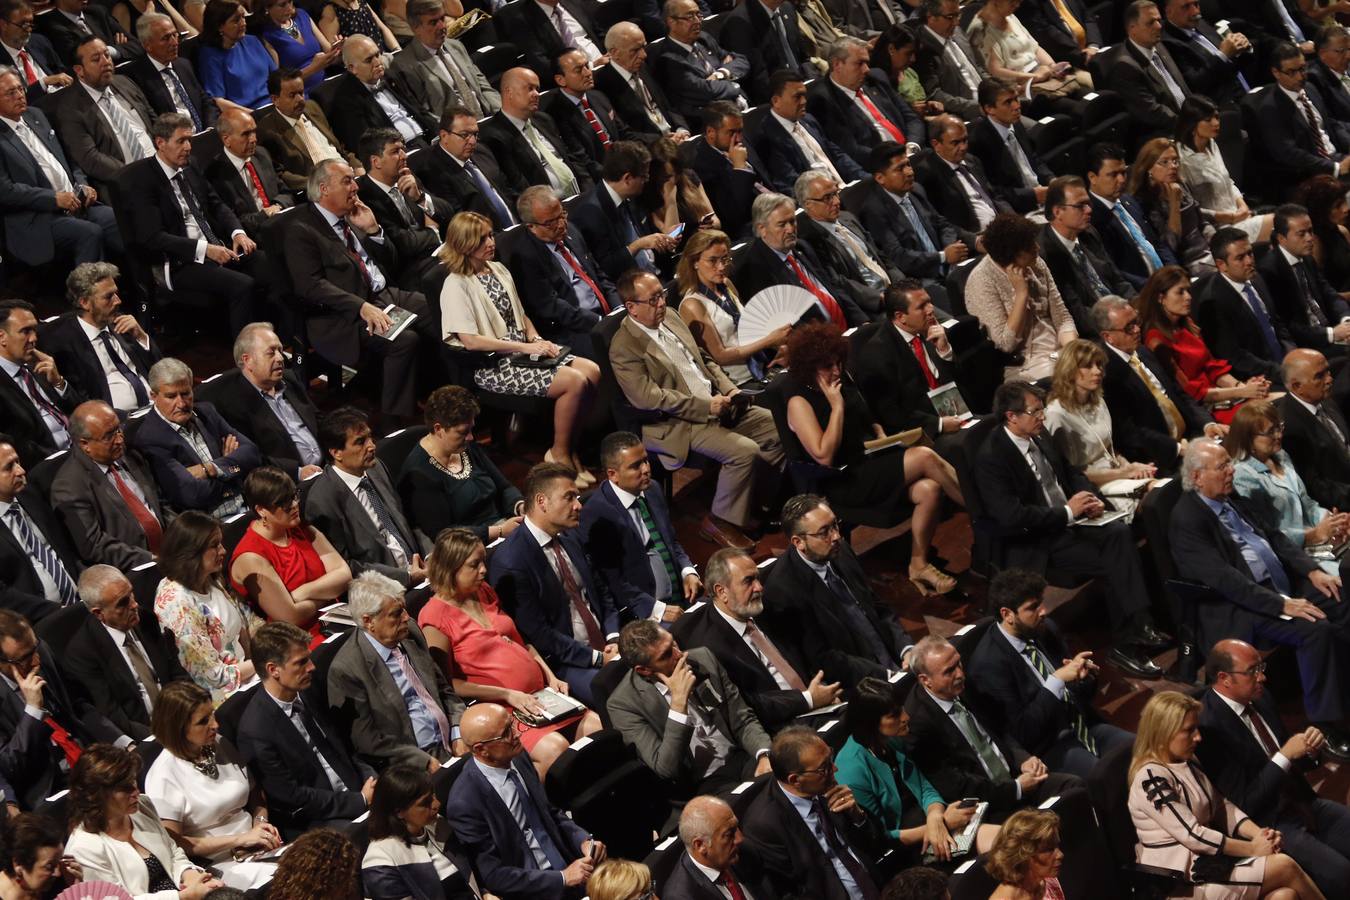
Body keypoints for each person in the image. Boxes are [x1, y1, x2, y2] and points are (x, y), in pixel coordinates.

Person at [975, 381, 1170, 676]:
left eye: (1041, 409)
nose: (1042, 416)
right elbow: (1011, 517)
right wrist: (1066, 512)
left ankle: (1140, 624)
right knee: (1114, 559)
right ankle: (1127, 641)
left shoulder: (1039, 436)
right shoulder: (991, 457)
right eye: (1034, 411)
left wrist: (1095, 500)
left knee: (1119, 531)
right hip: (1036, 540)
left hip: (1069, 521)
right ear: (1011, 416)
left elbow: (1071, 473)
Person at [1170, 438, 1350, 742]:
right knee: (1315, 630)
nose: (1232, 471)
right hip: (1241, 605)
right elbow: (1225, 579)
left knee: (1340, 597)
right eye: (1222, 466)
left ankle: (1342, 685)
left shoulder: (1232, 497)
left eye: (1230, 462)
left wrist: (1312, 570)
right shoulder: (1186, 519)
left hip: (1280, 586)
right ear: (1197, 477)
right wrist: (1281, 605)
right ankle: (1325, 724)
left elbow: (1275, 538)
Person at [611, 269, 785, 549]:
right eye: (653, 299)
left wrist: (730, 389)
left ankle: (750, 504)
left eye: (662, 295)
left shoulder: (671, 317)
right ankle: (719, 521)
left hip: (718, 402)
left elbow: (703, 359)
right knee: (745, 451)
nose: (661, 304)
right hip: (678, 423)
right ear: (631, 307)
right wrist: (707, 407)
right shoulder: (624, 347)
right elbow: (649, 399)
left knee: (778, 428)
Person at [784, 322, 964, 590]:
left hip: (867, 461)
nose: (836, 371)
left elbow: (869, 419)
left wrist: (883, 439)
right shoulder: (799, 402)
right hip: (843, 481)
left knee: (929, 489)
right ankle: (982, 513)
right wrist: (836, 408)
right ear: (809, 368)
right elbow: (823, 455)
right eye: (827, 367)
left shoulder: (841, 382)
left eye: (838, 363)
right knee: (925, 456)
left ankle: (918, 565)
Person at [419, 528, 598, 775]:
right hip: (503, 708)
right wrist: (507, 694)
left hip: (539, 695)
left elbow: (521, 642)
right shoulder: (434, 616)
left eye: (483, 561)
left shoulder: (482, 591)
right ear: (451, 568)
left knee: (596, 727)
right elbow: (448, 684)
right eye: (474, 565)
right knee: (555, 749)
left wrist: (550, 677)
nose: (483, 569)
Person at [437, 211, 600, 484]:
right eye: (482, 239)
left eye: (490, 235)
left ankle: (571, 448)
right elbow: (471, 341)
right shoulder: (456, 285)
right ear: (465, 244)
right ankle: (559, 454)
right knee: (574, 381)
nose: (491, 242)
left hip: (523, 349)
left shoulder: (498, 269)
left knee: (592, 371)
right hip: (493, 364)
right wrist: (523, 348)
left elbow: (520, 313)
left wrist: (536, 339)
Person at [1128, 690, 1325, 900]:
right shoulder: (1150, 778)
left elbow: (1221, 806)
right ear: (1163, 732)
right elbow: (1193, 835)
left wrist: (1259, 834)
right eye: (1189, 730)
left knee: (1284, 896)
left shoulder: (1188, 761)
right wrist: (1252, 849)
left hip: (1208, 867)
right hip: (1182, 884)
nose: (1198, 736)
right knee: (1285, 866)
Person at [282, 158, 438, 422]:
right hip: (343, 316)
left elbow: (391, 262)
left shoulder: (353, 215)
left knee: (439, 311)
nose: (355, 187)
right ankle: (395, 420)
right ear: (324, 189)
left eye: (353, 180)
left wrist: (374, 230)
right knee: (404, 340)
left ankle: (440, 393)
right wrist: (360, 306)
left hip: (384, 295)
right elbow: (310, 285)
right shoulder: (301, 230)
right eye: (347, 181)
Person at [1198, 639, 1350, 892]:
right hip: (1272, 824)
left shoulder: (1261, 697)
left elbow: (1295, 761)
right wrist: (1284, 755)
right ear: (1224, 678)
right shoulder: (1209, 728)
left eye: (1261, 668)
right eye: (1252, 671)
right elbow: (1246, 802)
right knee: (1342, 874)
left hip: (1304, 803)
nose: (1262, 678)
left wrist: (1310, 749)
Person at [114, 112, 267, 340]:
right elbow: (153, 238)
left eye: (189, 140)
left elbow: (216, 205)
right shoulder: (143, 181)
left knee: (266, 264)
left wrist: (238, 232)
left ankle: (276, 339)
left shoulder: (190, 165)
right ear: (160, 143)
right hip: (178, 262)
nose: (187, 147)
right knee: (242, 285)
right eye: (180, 141)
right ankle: (245, 354)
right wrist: (206, 250)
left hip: (218, 247)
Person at [970, 568, 1136, 777]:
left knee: (1143, 751)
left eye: (1040, 602)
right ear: (1007, 614)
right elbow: (1023, 733)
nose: (1043, 611)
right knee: (1106, 776)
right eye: (1032, 607)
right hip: (1049, 746)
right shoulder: (989, 664)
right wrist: (1056, 681)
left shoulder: (1044, 629)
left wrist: (1083, 678)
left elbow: (1081, 696)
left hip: (1084, 726)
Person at [487, 462, 620, 706]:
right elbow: (538, 635)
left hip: (608, 646)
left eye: (577, 497)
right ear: (541, 502)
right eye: (569, 498)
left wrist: (613, 637)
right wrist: (598, 658)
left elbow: (602, 592)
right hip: (565, 662)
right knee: (621, 695)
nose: (578, 505)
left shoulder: (570, 535)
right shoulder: (511, 561)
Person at [443, 702, 602, 900]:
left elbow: (550, 812)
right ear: (481, 749)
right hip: (531, 890)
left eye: (512, 725)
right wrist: (561, 878)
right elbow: (494, 875)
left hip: (574, 871)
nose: (517, 735)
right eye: (506, 733)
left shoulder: (517, 756)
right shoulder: (465, 803)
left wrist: (583, 840)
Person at [673, 545, 841, 731]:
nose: (759, 587)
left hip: (821, 705)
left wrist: (825, 690)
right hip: (783, 728)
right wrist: (809, 699)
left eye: (758, 579)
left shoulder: (768, 609)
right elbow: (748, 706)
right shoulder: (710, 648)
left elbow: (810, 656)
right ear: (722, 592)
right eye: (748, 581)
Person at [234, 622, 376, 841]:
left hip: (358, 791)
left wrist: (371, 779)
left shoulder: (307, 691)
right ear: (274, 670)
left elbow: (345, 747)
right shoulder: (255, 730)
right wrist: (359, 801)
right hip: (317, 820)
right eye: (301, 662)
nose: (312, 667)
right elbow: (292, 796)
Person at [760, 494, 918, 687]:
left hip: (895, 661)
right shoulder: (784, 591)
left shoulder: (841, 550)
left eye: (835, 525)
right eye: (824, 532)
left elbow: (876, 605)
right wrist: (886, 675)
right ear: (798, 542)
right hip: (860, 683)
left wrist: (906, 648)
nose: (836, 536)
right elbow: (823, 658)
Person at [836, 676, 999, 863]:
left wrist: (936, 816)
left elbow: (924, 788)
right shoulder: (852, 770)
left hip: (931, 823)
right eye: (894, 715)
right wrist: (941, 825)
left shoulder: (891, 740)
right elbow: (881, 837)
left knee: (1007, 838)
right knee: (1003, 844)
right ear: (871, 723)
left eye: (902, 709)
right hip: (908, 849)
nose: (906, 717)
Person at [608, 618, 772, 797]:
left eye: (674, 643)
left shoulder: (702, 658)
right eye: (666, 655)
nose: (680, 655)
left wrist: (764, 755)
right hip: (702, 784)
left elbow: (742, 719)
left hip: (741, 755)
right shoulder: (624, 705)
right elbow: (666, 768)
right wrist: (678, 703)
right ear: (644, 670)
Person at [145, 682, 280, 890]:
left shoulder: (218, 743)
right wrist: (239, 840)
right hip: (218, 864)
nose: (215, 725)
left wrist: (260, 825)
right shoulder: (163, 775)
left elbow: (255, 793)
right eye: (203, 721)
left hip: (256, 847)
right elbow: (177, 844)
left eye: (213, 714)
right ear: (178, 729)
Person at [328, 570, 467, 770]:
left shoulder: (409, 633)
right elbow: (368, 741)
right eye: (396, 613)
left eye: (403, 608)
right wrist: (423, 761)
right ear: (368, 621)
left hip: (454, 743)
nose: (406, 617)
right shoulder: (347, 670)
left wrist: (458, 732)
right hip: (413, 764)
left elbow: (444, 690)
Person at [740, 725, 886, 900]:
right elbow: (789, 893)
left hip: (876, 884)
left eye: (830, 759)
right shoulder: (765, 825)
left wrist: (858, 816)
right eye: (824, 767)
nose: (834, 769)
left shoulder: (825, 785)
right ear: (795, 780)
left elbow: (875, 843)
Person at [0, 609, 126, 809]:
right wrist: (32, 711)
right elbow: (8, 766)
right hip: (50, 790)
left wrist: (122, 742)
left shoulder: (43, 653)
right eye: (24, 658)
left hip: (87, 761)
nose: (36, 662)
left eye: (35, 648)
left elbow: (77, 704)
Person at [0, 68, 122, 272]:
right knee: (89, 233)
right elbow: (5, 191)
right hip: (39, 218)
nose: (20, 95)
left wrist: (82, 182)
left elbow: (68, 157)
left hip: (78, 203)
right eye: (11, 93)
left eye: (21, 89)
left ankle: (146, 289)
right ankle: (88, 300)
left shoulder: (35, 114)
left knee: (118, 219)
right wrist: (53, 198)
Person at [65, 744, 224, 900]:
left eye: (133, 781)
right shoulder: (84, 847)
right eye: (125, 787)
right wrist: (182, 896)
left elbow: (173, 852)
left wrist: (189, 875)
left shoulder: (142, 806)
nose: (136, 792)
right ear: (98, 794)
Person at [579, 431, 699, 623]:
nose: (646, 469)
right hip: (646, 615)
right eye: (636, 466)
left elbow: (671, 541)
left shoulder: (653, 489)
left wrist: (687, 571)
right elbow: (611, 580)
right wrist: (658, 610)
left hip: (683, 600)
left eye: (646, 460)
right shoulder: (597, 514)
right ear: (613, 474)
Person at [1095, 295, 1224, 474]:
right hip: (1162, 457)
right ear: (1108, 336)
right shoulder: (1106, 374)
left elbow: (1179, 394)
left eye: (1136, 321)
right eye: (1128, 327)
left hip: (1192, 437)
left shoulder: (1143, 351)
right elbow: (1130, 433)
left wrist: (1207, 424)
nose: (1137, 329)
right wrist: (1177, 448)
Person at [304, 406, 428, 588]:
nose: (372, 446)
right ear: (336, 452)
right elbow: (347, 566)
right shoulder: (322, 501)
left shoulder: (376, 468)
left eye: (370, 437)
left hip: (423, 570)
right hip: (383, 589)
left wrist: (430, 555)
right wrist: (407, 576)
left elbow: (407, 518)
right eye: (360, 442)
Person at [1229, 397, 1350, 581]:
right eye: (1270, 432)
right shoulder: (1243, 476)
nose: (1278, 435)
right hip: (1294, 556)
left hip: (1321, 544)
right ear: (1248, 438)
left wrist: (1332, 521)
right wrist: (1312, 535)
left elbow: (1307, 503)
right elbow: (1266, 533)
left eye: (1279, 427)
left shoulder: (1281, 455)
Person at [229, 466, 352, 645]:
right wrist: (327, 593)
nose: (294, 505)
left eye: (294, 496)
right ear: (262, 510)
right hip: (299, 641)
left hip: (339, 617)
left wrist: (303, 593)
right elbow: (290, 617)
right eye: (284, 503)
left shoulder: (299, 527)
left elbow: (344, 574)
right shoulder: (251, 556)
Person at [64, 565, 188, 742]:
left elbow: (176, 672)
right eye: (122, 603)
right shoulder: (83, 653)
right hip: (146, 736)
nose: (134, 605)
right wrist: (159, 739)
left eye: (131, 594)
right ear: (99, 613)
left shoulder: (145, 619)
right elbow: (114, 716)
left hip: (180, 716)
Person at [1137, 264, 1271, 424]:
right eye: (1180, 292)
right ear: (1161, 298)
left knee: (1276, 401)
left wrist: (1244, 386)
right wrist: (1241, 391)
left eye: (1188, 290)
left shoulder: (1185, 324)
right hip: (1208, 408)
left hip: (1226, 395)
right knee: (1267, 414)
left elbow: (1213, 367)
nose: (1188, 297)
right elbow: (1190, 391)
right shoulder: (1156, 339)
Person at [154, 510, 261, 706]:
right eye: (214, 546)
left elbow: (249, 621)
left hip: (249, 674)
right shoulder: (176, 602)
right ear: (190, 553)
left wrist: (274, 646)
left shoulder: (209, 577)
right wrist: (262, 663)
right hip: (222, 698)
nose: (223, 551)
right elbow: (211, 676)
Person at [1044, 339, 1158, 517]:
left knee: (1164, 489)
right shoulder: (1056, 415)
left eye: (1099, 365)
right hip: (1094, 486)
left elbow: (1109, 449)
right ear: (1070, 370)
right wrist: (1124, 473)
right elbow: (1072, 475)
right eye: (1088, 366)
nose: (1097, 371)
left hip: (1117, 474)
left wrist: (1132, 467)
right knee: (1157, 498)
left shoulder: (1097, 402)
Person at [133, 358, 259, 518]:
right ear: (153, 396)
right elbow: (191, 494)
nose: (181, 403)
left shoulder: (206, 412)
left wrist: (211, 469)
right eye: (171, 396)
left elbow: (252, 454)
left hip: (248, 506)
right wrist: (232, 470)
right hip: (211, 525)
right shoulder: (150, 438)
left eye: (186, 393)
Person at [398, 385, 523, 545]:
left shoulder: (464, 446)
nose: (471, 437)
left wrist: (519, 506)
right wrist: (497, 531)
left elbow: (504, 487)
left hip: (504, 526)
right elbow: (444, 535)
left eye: (472, 429)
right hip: (469, 547)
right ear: (439, 429)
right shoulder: (419, 473)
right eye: (463, 432)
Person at [50, 400, 166, 570]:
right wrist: (152, 559)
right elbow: (94, 547)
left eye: (119, 429)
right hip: (135, 570)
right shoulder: (69, 487)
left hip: (170, 549)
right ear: (85, 444)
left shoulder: (127, 454)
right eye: (109, 436)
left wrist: (181, 537)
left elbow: (160, 502)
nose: (120, 439)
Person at [499, 185, 613, 355]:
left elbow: (598, 274)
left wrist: (618, 306)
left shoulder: (570, 230)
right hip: (572, 329)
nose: (561, 225)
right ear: (531, 226)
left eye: (562, 215)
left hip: (604, 313)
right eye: (551, 223)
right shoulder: (525, 257)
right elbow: (550, 307)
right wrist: (598, 320)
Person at [966, 212, 1079, 383]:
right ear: (1012, 254)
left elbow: (1062, 317)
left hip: (1059, 351)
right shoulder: (982, 281)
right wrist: (1021, 294)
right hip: (1024, 365)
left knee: (1096, 365)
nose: (1037, 248)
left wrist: (1073, 349)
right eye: (1029, 246)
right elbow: (1005, 344)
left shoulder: (1036, 263)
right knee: (1073, 381)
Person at [207, 322, 323, 483]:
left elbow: (317, 418)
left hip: (328, 466)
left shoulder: (289, 379)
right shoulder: (233, 405)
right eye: (271, 353)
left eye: (281, 351)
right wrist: (297, 472)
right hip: (287, 483)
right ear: (247, 361)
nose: (280, 358)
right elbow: (253, 459)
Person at [733, 192, 865, 331]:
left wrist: (862, 320)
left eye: (792, 221)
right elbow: (787, 325)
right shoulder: (757, 270)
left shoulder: (802, 246)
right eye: (782, 224)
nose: (790, 229)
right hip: (817, 340)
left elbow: (834, 288)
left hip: (848, 327)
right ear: (762, 229)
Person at [39, 262, 157, 416]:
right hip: (119, 420)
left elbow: (159, 369)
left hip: (158, 405)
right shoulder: (65, 345)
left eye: (116, 293)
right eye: (108, 297)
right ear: (85, 302)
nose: (118, 301)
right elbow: (79, 403)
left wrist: (142, 337)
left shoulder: (120, 322)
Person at [48, 35, 156, 200]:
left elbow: (153, 121)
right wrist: (138, 172)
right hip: (126, 182)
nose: (106, 62)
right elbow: (90, 158)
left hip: (161, 164)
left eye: (106, 55)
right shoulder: (70, 108)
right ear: (79, 70)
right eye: (96, 59)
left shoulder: (124, 82)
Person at [675, 228, 785, 389]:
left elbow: (749, 326)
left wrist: (780, 346)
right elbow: (720, 356)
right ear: (695, 262)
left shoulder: (726, 284)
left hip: (765, 368)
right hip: (740, 382)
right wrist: (768, 341)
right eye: (713, 261)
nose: (721, 267)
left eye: (725, 259)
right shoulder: (692, 304)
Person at [361, 763, 485, 900]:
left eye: (433, 795)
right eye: (425, 802)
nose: (437, 804)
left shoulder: (438, 825)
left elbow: (470, 875)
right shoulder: (381, 861)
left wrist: (485, 893)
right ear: (399, 812)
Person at [355, 128, 451, 292]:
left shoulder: (405, 176)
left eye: (403, 150)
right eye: (395, 152)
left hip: (437, 254)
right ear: (376, 161)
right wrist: (433, 230)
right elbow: (404, 245)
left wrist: (420, 198)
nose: (404, 156)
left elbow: (448, 212)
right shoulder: (364, 197)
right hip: (411, 273)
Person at [1251, 41, 1350, 201]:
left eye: (1302, 69)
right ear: (1276, 73)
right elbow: (1289, 153)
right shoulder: (1270, 108)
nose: (1300, 76)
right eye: (1291, 72)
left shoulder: (1310, 88)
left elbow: (1330, 124)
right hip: (1309, 174)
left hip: (1335, 157)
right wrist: (1335, 167)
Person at [1198, 228, 1297, 387]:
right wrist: (1280, 372)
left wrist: (1292, 353)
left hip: (1284, 364)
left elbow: (1276, 323)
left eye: (1250, 253)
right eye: (1240, 257)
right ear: (1221, 264)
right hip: (1257, 379)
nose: (1249, 261)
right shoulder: (1214, 302)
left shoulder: (1256, 278)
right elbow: (1234, 356)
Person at [794, 170, 899, 320]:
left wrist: (901, 284)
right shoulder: (810, 241)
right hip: (874, 307)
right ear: (808, 205)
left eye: (835, 193)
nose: (837, 201)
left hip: (896, 292)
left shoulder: (848, 217)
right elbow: (839, 282)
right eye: (827, 198)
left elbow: (880, 255)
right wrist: (880, 298)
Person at [808, 36, 922, 173]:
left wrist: (913, 145)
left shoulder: (876, 78)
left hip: (912, 153)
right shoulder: (823, 99)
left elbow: (911, 117)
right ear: (837, 64)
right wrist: (896, 158)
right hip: (883, 169)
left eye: (867, 63)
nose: (867, 69)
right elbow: (851, 150)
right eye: (860, 63)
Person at [1037, 176, 1134, 336]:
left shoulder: (1088, 233)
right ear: (1058, 212)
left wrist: (1136, 305)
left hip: (1123, 314)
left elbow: (1118, 280)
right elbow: (1077, 312)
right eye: (1080, 206)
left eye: (1088, 204)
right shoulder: (1046, 254)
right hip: (1101, 332)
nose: (1089, 210)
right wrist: (1122, 322)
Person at [478, 67, 590, 204]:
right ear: (509, 92)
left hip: (581, 195)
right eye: (530, 88)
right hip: (548, 208)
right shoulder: (495, 137)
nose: (537, 94)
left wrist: (589, 190)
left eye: (537, 88)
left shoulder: (544, 119)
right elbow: (518, 185)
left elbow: (572, 158)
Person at [0, 434, 82, 619]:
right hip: (40, 621)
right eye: (9, 467)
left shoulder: (30, 495)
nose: (21, 471)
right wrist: (57, 612)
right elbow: (3, 596)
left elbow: (66, 548)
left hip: (83, 600)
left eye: (18, 462)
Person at [752, 69, 865, 196]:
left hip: (846, 190)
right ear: (776, 101)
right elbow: (790, 182)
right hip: (822, 199)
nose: (804, 101)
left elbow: (836, 154)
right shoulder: (767, 137)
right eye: (797, 97)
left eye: (804, 95)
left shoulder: (808, 119)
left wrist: (864, 178)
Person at [1175, 97, 1271, 244]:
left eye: (1216, 117)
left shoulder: (1212, 144)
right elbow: (1190, 208)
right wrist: (1224, 217)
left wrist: (1242, 205)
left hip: (1238, 216)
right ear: (1192, 125)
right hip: (1218, 229)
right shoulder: (1181, 159)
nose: (1216, 123)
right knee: (1279, 224)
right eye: (1208, 120)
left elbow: (1228, 181)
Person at [967, 0, 1090, 111]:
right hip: (1022, 88)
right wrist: (1034, 77)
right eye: (1012, 1)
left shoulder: (1010, 16)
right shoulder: (979, 29)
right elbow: (995, 72)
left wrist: (1052, 66)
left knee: (1091, 97)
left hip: (1044, 75)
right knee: (1080, 109)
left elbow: (1034, 47)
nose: (1017, 5)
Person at [388, 0, 498, 124]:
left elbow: (482, 85)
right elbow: (426, 115)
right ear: (415, 27)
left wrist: (500, 113)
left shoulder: (456, 46)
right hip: (458, 133)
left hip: (489, 119)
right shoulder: (405, 65)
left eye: (442, 18)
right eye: (433, 22)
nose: (442, 26)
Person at [1260, 204, 1350, 353]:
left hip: (1332, 330)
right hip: (1308, 346)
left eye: (1310, 231)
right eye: (1301, 234)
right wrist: (1332, 334)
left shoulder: (1306, 258)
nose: (1309, 238)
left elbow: (1329, 294)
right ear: (1281, 238)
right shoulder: (1269, 271)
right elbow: (1288, 326)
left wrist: (1346, 320)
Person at [0, 300, 77, 469]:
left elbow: (78, 410)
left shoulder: (39, 366)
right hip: (50, 467)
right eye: (25, 331)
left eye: (34, 330)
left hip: (80, 449)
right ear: (2, 336)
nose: (34, 338)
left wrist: (58, 382)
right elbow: (19, 446)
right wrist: (71, 459)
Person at [328, 35, 436, 155]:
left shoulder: (392, 77)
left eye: (377, 55)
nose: (377, 62)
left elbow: (420, 111)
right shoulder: (348, 101)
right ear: (352, 68)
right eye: (369, 60)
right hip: (401, 153)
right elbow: (367, 143)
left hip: (428, 139)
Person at [255, 68, 357, 192]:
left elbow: (338, 146)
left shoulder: (312, 107)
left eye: (301, 93)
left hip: (347, 171)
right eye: (292, 95)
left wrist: (356, 165)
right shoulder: (267, 130)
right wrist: (317, 185)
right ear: (275, 99)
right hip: (321, 188)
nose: (300, 99)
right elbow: (281, 175)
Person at [203, 108, 295, 241]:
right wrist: (264, 215)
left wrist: (277, 206)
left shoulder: (261, 154)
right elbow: (232, 221)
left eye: (254, 131)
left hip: (284, 222)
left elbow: (286, 192)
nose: (254, 139)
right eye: (246, 134)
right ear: (226, 139)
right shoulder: (215, 174)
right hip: (257, 237)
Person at [1129, 137, 1216, 278]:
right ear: (1148, 168)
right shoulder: (1145, 202)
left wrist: (1218, 242)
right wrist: (1174, 204)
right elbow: (1170, 247)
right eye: (1164, 162)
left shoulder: (1180, 185)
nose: (1173, 166)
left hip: (1208, 251)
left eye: (1175, 161)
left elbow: (1202, 222)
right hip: (1190, 264)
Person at [913, 114, 1012, 236]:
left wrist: (1012, 219)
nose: (963, 147)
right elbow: (941, 222)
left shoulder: (972, 161)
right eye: (956, 143)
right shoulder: (928, 175)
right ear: (936, 144)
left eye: (965, 140)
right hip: (976, 238)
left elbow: (995, 196)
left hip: (1003, 229)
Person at [1276, 349, 1350, 513]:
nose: (1329, 379)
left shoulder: (1324, 399)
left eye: (1328, 371)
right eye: (1320, 376)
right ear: (1297, 386)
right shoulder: (1289, 429)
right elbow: (1315, 488)